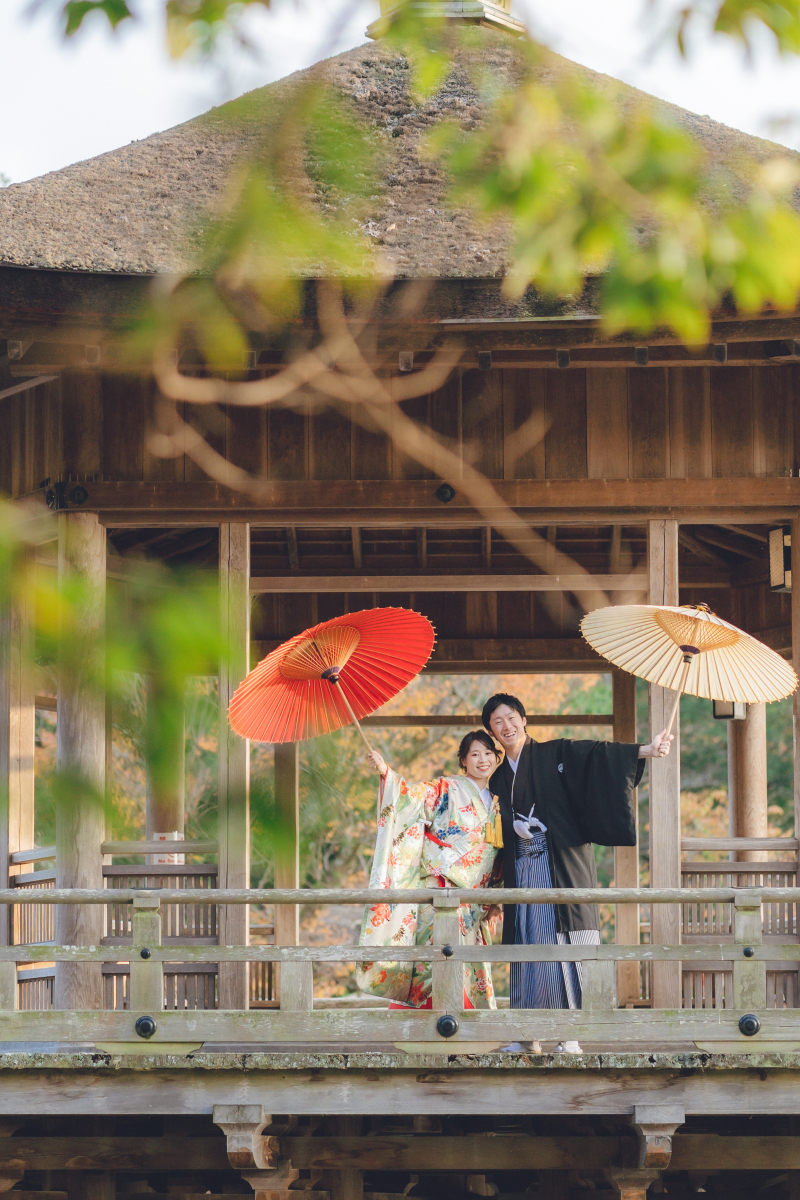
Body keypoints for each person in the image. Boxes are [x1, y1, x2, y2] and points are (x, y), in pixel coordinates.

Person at [484, 691, 673, 1052]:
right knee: (528, 947)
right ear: (492, 731)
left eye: (511, 717)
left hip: (558, 864)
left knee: (564, 947)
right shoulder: (497, 781)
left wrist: (646, 750)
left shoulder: (556, 753)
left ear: (524, 720)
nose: (506, 726)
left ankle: (569, 1035)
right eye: (497, 722)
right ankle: (526, 1036)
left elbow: (598, 755)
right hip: (521, 871)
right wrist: (494, 893)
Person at [356, 731, 503, 1010]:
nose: (482, 760)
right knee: (434, 958)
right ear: (463, 760)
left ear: (497, 758)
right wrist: (386, 771)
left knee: (467, 963)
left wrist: (496, 900)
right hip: (440, 886)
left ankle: (466, 1030)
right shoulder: (447, 788)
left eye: (488, 753)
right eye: (474, 754)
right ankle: (424, 1025)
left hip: (474, 900)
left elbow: (501, 855)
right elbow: (411, 797)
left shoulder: (500, 800)